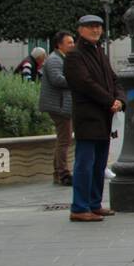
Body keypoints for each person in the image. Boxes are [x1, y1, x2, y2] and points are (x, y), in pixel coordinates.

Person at [63, 15, 124, 222]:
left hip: (104, 117)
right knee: (85, 163)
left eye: (98, 26)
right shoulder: (74, 55)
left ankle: (94, 203)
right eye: (90, 27)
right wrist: (110, 101)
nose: (95, 30)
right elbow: (84, 83)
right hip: (88, 116)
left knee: (99, 164)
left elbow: (113, 79)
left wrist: (119, 99)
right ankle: (79, 207)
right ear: (80, 30)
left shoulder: (100, 51)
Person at [39, 31, 75, 186]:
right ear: (59, 45)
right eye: (69, 43)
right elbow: (57, 80)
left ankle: (58, 173)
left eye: (73, 42)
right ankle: (63, 173)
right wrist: (77, 79)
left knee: (63, 139)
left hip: (61, 105)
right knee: (64, 140)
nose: (72, 45)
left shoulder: (62, 58)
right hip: (59, 106)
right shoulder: (54, 60)